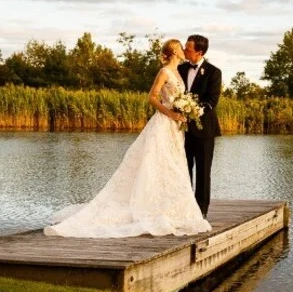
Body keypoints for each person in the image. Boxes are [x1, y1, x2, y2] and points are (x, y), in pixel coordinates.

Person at [43, 40, 211, 238]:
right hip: (164, 124)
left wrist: (183, 111)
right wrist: (170, 113)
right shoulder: (164, 71)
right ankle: (148, 208)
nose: (184, 50)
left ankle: (168, 208)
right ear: (174, 51)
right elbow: (152, 97)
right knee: (155, 163)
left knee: (172, 165)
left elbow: (182, 97)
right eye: (180, 47)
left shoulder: (178, 72)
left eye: (186, 47)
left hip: (176, 129)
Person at [179, 34, 222, 218]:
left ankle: (201, 212)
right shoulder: (179, 69)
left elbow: (212, 101)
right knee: (183, 170)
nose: (184, 50)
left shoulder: (213, 72)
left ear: (199, 51)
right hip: (181, 130)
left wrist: (190, 108)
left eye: (188, 48)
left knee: (203, 173)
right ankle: (185, 208)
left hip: (204, 130)